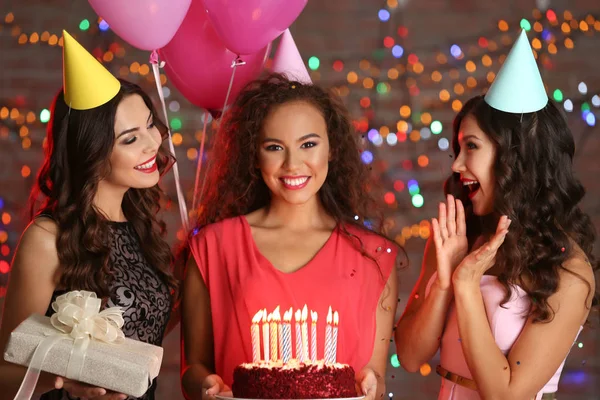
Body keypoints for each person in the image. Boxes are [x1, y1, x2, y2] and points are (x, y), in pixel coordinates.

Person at [395, 30, 597, 400]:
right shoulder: (458, 239)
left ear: (514, 158)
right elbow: (409, 356)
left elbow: (507, 395)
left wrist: (467, 284)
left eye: (471, 147)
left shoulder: (569, 270)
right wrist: (444, 280)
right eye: (458, 149)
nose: (457, 165)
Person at [180, 73, 403, 400]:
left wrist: (372, 383)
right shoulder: (212, 247)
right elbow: (193, 367)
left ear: (332, 148)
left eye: (308, 145)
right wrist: (206, 386)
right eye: (274, 147)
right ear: (255, 156)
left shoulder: (375, 255)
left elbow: (376, 375)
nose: (292, 164)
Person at [0, 31, 178, 400]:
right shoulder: (48, 238)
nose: (152, 142)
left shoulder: (141, 224)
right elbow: (4, 373)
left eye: (149, 124)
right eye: (130, 139)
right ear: (91, 152)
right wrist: (67, 383)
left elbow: (143, 326)